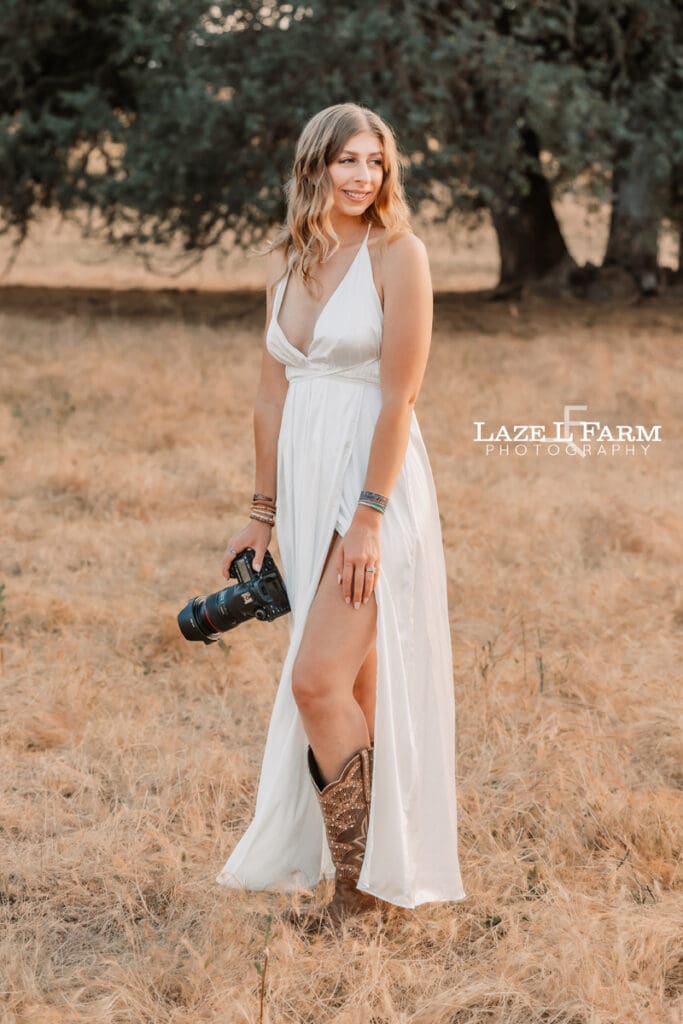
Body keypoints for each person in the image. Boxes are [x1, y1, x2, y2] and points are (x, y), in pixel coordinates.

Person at [216, 102, 466, 935]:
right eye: (347, 160)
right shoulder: (286, 259)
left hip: (373, 489)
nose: (362, 176)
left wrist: (368, 518)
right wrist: (260, 515)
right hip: (304, 483)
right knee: (352, 688)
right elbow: (271, 391)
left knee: (316, 681)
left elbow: (400, 396)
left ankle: (361, 899)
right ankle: (368, 896)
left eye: (375, 161)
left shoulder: (398, 254)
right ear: (313, 165)